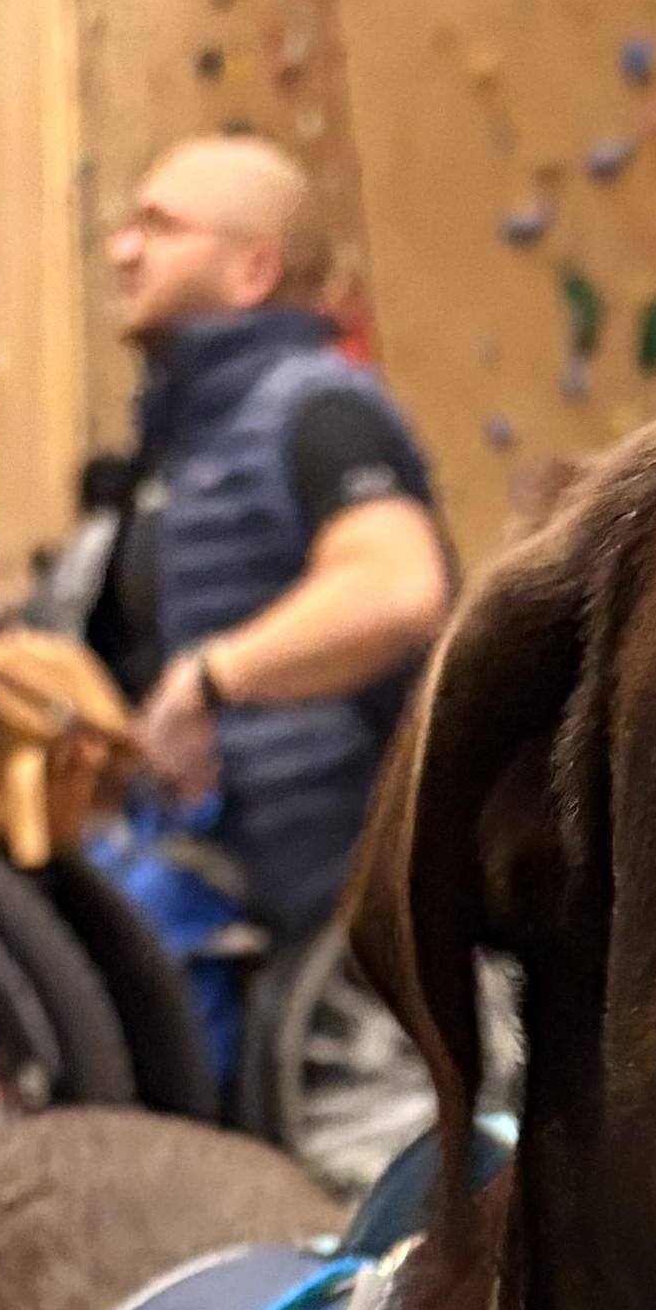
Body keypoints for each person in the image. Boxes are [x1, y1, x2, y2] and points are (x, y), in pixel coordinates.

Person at [100, 134, 452, 997]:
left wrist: (210, 681)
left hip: (309, 899)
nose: (122, 248)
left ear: (254, 270)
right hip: (212, 859)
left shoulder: (318, 407)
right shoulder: (188, 435)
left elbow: (399, 589)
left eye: (159, 225)